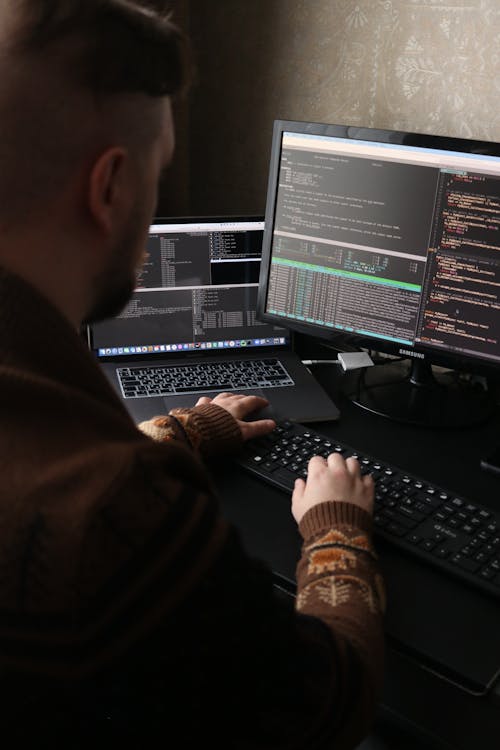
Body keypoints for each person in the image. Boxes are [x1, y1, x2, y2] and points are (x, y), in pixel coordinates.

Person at [0, 1, 385, 747]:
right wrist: (337, 531)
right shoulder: (122, 516)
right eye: (157, 173)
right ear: (110, 187)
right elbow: (324, 707)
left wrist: (174, 431)